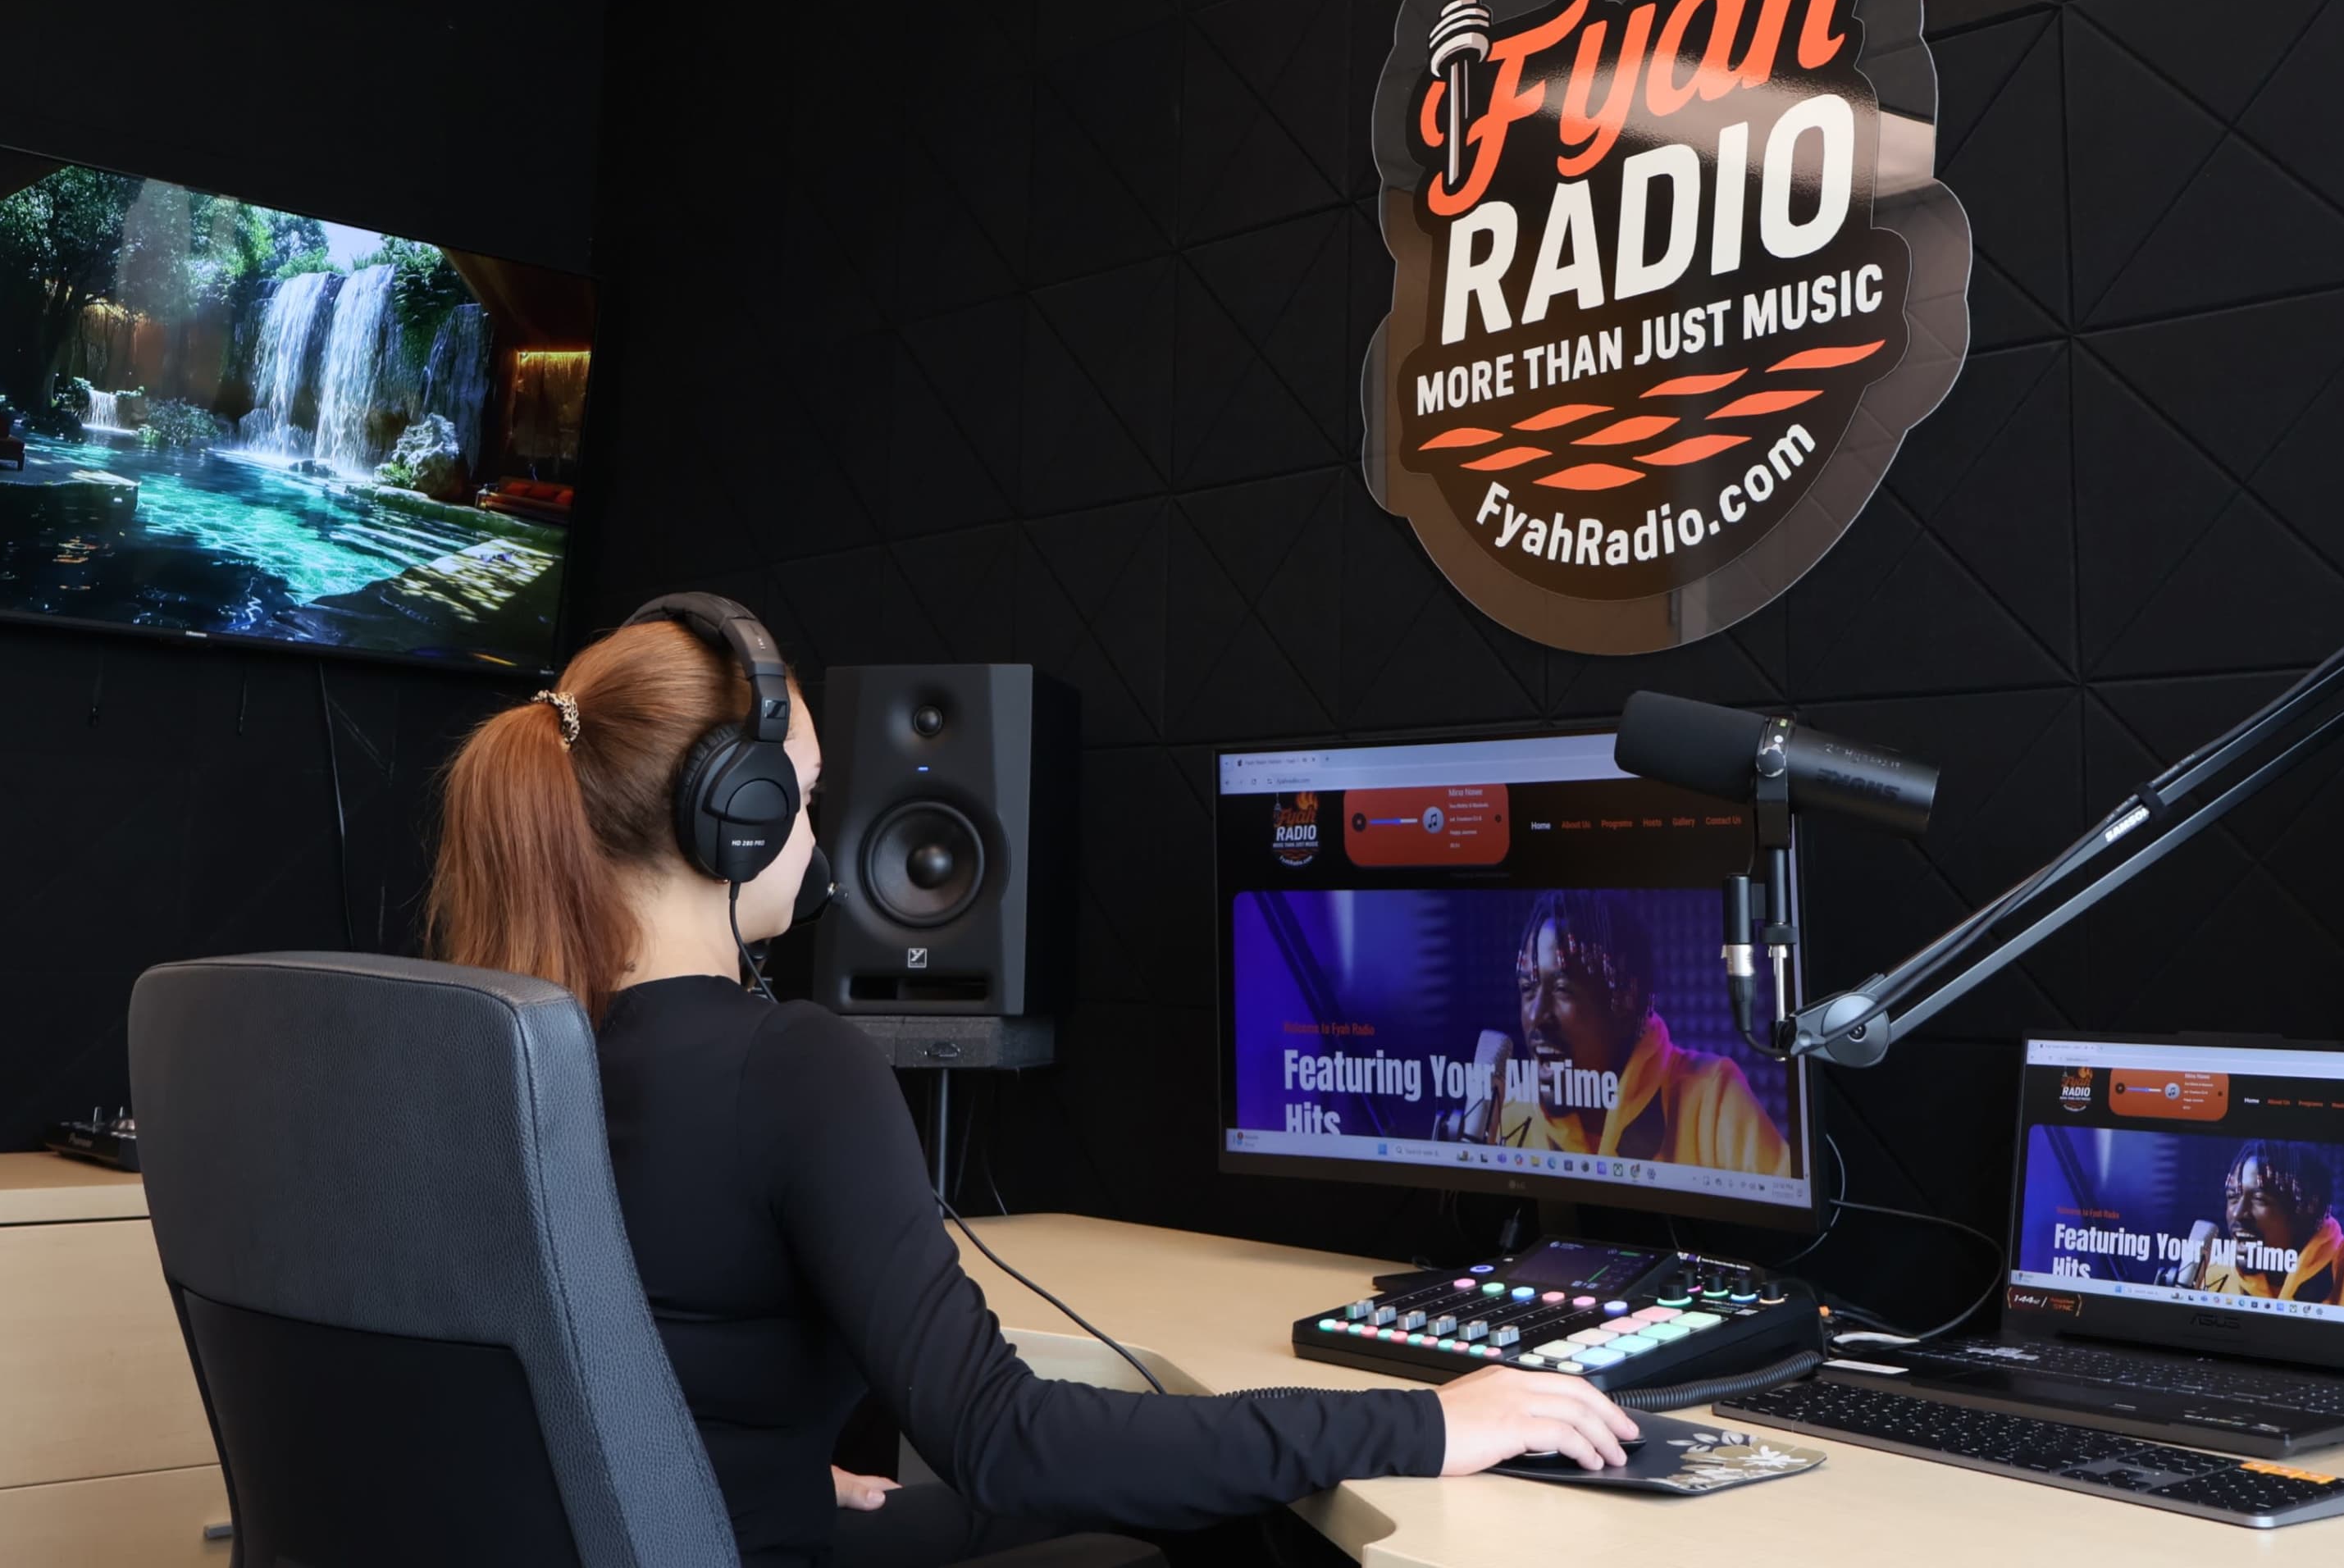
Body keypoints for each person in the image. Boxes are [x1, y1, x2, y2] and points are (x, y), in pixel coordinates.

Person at [428, 620, 1635, 1568]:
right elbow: (1008, 1439)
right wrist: (1432, 1422)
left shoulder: (486, 1053)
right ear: (730, 821)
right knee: (1200, 1528)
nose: (815, 834)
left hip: (633, 1528)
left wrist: (744, 1471)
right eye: (800, 797)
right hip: (733, 1542)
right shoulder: (789, 1061)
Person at [1486, 890, 1789, 1174]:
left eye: (1563, 989)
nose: (1536, 1016)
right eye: (1528, 988)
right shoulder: (1511, 1115)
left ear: (1625, 996)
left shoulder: (1713, 1098)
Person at [2189, 1140, 2344, 1315]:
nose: (2239, 1213)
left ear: (2307, 1205)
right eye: (2233, 1197)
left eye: (2260, 1199)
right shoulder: (2212, 1275)